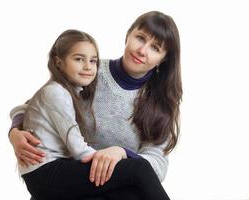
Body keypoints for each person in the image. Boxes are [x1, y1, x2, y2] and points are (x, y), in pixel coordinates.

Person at [9, 10, 182, 200]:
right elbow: (40, 104)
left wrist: (122, 153)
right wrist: (16, 132)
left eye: (155, 48)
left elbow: (157, 164)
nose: (142, 50)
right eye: (140, 38)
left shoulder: (162, 102)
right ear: (128, 34)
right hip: (66, 181)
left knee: (134, 191)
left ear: (163, 59)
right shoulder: (89, 71)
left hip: (110, 186)